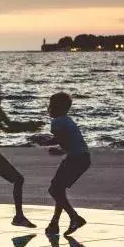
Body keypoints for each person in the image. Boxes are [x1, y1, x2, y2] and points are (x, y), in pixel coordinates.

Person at [0, 83, 43, 228]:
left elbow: (9, 127)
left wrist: (29, 126)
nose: (0, 98)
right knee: (18, 180)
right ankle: (18, 217)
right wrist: (30, 126)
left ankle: (19, 217)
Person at [44, 93, 91, 236]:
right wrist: (49, 142)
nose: (49, 108)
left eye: (51, 105)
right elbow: (65, 139)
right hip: (83, 158)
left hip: (75, 159)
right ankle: (54, 223)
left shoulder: (57, 122)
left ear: (56, 108)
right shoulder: (67, 120)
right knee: (59, 189)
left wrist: (56, 150)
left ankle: (74, 217)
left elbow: (64, 143)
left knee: (54, 190)